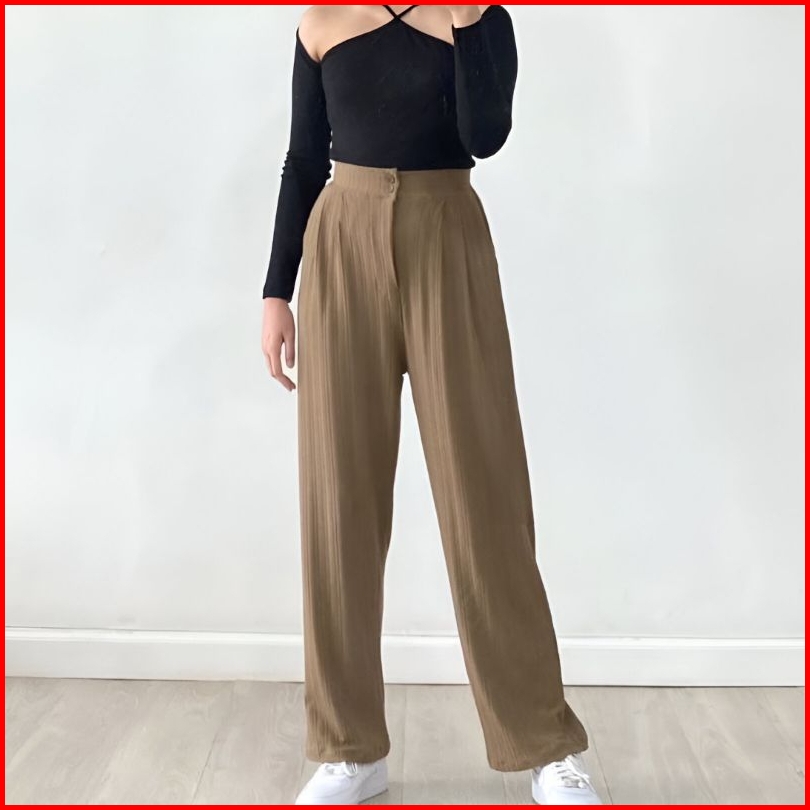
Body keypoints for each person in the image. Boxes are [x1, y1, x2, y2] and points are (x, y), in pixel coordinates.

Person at [261, 5, 602, 805]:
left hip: (448, 235)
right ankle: (348, 748)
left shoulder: (479, 17)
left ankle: (544, 745)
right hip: (340, 245)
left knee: (486, 498)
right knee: (338, 504)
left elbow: (486, 135)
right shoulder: (321, 23)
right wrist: (277, 290)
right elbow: (304, 159)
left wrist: (470, 22)